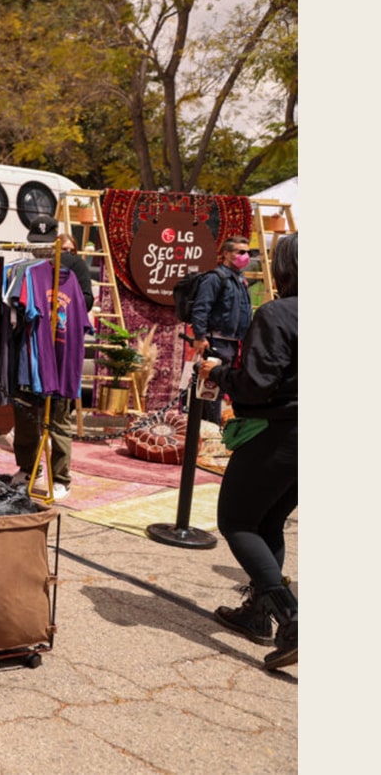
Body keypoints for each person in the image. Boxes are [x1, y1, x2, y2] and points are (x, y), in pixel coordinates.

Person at [199, 233, 297, 672]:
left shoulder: (278, 313)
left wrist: (218, 372)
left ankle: (292, 618)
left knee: (237, 521)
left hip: (279, 432)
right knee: (268, 520)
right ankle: (260, 612)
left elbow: (257, 382)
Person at [10, 229, 94, 500]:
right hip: (33, 358)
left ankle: (60, 478)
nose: (61, 255)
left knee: (58, 421)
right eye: (57, 249)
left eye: (68, 250)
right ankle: (27, 468)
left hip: (60, 361)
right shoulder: (30, 274)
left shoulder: (76, 276)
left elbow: (84, 311)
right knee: (25, 418)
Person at [190, 236, 254, 426]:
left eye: (248, 252)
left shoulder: (240, 280)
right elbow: (201, 308)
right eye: (240, 252)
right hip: (216, 342)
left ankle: (208, 429)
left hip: (233, 343)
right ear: (226, 254)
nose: (245, 256)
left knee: (221, 386)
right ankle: (211, 430)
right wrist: (200, 337)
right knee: (211, 388)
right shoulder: (214, 278)